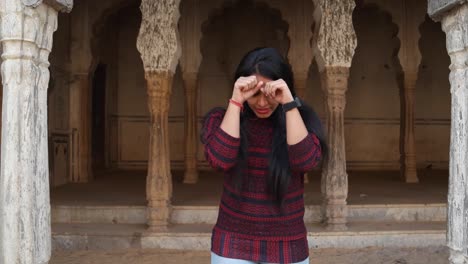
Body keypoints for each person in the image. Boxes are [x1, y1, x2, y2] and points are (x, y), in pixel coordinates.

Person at [201, 47, 326, 264]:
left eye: (268, 94)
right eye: (254, 93)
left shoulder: (298, 121)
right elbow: (220, 160)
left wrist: (288, 103)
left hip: (287, 246)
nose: (261, 103)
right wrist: (236, 101)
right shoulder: (221, 119)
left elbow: (305, 161)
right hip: (233, 245)